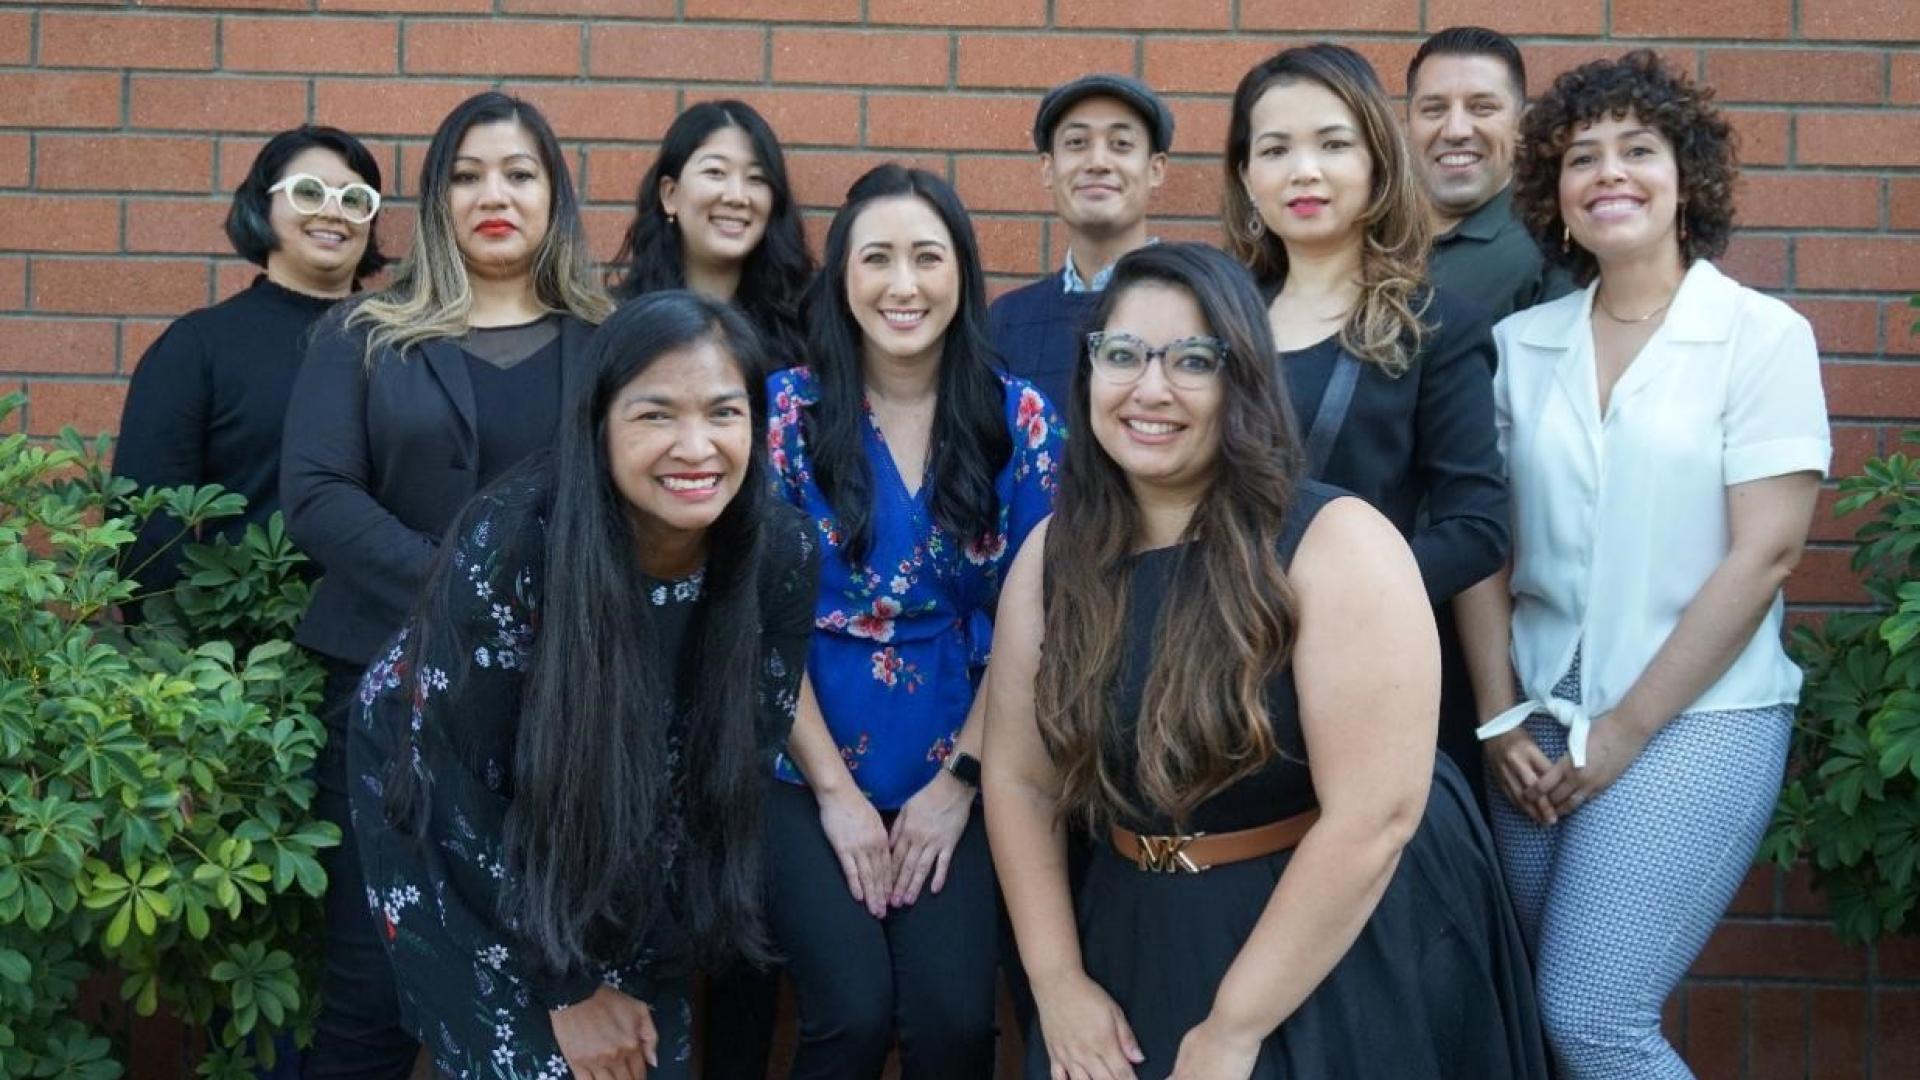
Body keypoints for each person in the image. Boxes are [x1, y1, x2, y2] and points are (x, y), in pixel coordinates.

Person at [983, 241, 1546, 1079]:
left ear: (1242, 377)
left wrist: (1234, 1029)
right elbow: (1021, 780)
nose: (1150, 388)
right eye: (1123, 355)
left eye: (1193, 360)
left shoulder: (1335, 544)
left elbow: (1376, 816)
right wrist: (1058, 981)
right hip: (1129, 929)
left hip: (1319, 949)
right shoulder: (1050, 555)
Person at [1466, 51, 1829, 1076]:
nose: (1609, 173)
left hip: (1696, 716)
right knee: (1539, 1013)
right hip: (1534, 718)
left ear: (1687, 179)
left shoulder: (1759, 337)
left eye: (1638, 149)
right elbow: (1485, 544)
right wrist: (1497, 717)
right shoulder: (1521, 345)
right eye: (1583, 157)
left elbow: (1768, 553)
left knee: (1593, 1016)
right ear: (1555, 195)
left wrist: (1624, 731)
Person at [349, 291, 820, 1077]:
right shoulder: (513, 541)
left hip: (626, 833)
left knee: (639, 1056)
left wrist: (635, 962)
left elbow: (732, 765)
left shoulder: (779, 551)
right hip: (448, 808)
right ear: (598, 424)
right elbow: (463, 787)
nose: (696, 446)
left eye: (723, 413)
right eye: (655, 415)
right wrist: (568, 989)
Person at [280, 91, 611, 1077]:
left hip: (562, 713)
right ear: (433, 200)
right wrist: (465, 595)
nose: (492, 194)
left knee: (544, 980)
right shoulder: (364, 333)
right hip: (391, 697)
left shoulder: (614, 341)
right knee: (372, 986)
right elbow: (318, 495)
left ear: (555, 196)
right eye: (465, 175)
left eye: (519, 173)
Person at [764, 164, 1065, 1078]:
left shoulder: (1020, 417)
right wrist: (835, 796)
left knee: (952, 1026)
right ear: (842, 278)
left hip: (970, 754)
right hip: (801, 755)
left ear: (962, 275)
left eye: (927, 258)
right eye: (878, 259)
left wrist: (960, 783)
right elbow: (751, 625)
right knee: (851, 1020)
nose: (904, 285)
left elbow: (1041, 619)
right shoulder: (784, 413)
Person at [1224, 43, 1510, 801]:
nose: (1304, 170)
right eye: (1276, 148)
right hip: (1217, 684)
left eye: (1332, 143)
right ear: (1247, 177)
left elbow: (1476, 526)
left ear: (1379, 167)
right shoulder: (1209, 325)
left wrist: (1333, 600)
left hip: (1373, 683)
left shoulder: (1437, 327)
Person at [114, 125, 388, 612]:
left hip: (380, 644)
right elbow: (147, 521)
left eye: (354, 198)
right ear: (262, 206)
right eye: (308, 192)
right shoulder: (199, 346)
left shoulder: (402, 344)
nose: (333, 211)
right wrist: (180, 658)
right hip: (238, 652)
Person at [989, 74, 1172, 411]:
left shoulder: (1200, 305)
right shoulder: (1006, 322)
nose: (1098, 163)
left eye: (1121, 144)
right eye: (1076, 143)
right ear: (1048, 168)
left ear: (1156, 169)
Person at [611, 100, 813, 371]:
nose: (737, 197)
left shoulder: (806, 328)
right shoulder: (615, 322)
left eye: (757, 178)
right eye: (715, 172)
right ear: (669, 194)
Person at [1407, 27, 1574, 322]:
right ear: (1408, 125)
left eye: (1482, 108)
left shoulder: (1547, 253)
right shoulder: (1369, 237)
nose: (1455, 130)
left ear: (1519, 126)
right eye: (1434, 109)